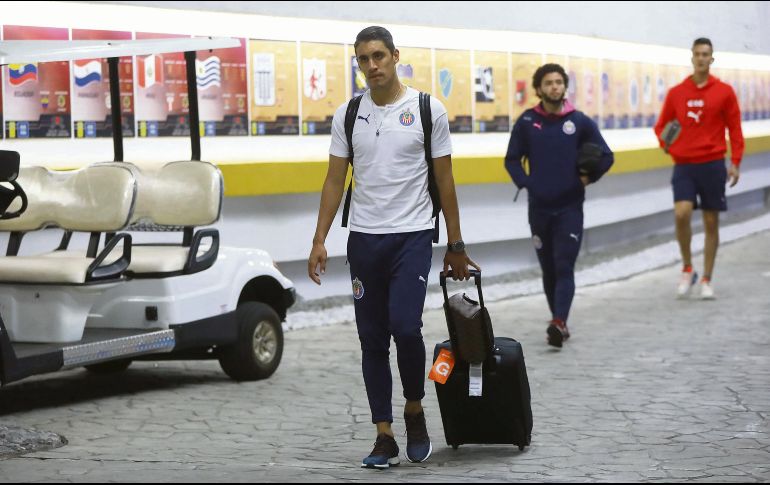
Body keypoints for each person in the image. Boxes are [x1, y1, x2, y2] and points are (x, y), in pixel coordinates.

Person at [307, 26, 478, 469]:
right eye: (362, 60)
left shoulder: (426, 109)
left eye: (378, 56)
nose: (371, 66)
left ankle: (415, 409)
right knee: (371, 340)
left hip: (413, 235)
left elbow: (445, 180)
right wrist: (319, 238)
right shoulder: (348, 114)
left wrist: (455, 244)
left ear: (396, 56)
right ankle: (383, 434)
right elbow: (333, 180)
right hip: (363, 238)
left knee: (405, 326)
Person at [504, 63, 614, 348]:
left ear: (565, 87)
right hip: (538, 209)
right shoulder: (527, 122)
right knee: (549, 269)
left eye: (559, 82)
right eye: (548, 83)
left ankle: (559, 322)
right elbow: (512, 159)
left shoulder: (579, 121)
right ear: (538, 89)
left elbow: (606, 157)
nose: (554, 87)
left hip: (570, 208)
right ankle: (558, 320)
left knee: (564, 265)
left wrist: (587, 178)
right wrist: (527, 183)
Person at [654, 37, 743, 300]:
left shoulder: (724, 92)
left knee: (711, 221)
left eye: (706, 54)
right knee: (682, 214)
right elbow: (661, 126)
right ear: (692, 57)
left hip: (713, 164)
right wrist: (666, 144)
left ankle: (706, 277)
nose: (701, 58)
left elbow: (735, 129)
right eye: (697, 54)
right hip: (684, 165)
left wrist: (735, 162)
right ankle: (687, 267)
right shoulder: (677, 93)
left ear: (712, 59)